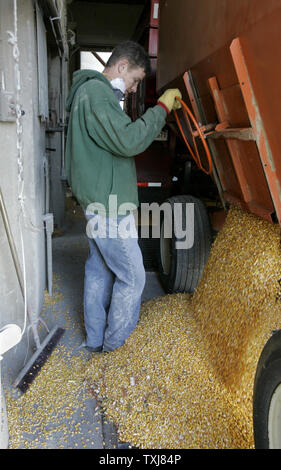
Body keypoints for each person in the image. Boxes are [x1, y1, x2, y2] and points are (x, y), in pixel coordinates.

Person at [65, 40, 182, 353]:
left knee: (99, 270)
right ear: (120, 66)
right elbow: (129, 140)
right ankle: (115, 347)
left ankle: (94, 340)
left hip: (98, 201)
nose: (133, 89)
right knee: (133, 278)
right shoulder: (96, 93)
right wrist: (162, 109)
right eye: (135, 80)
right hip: (108, 207)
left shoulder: (87, 93)